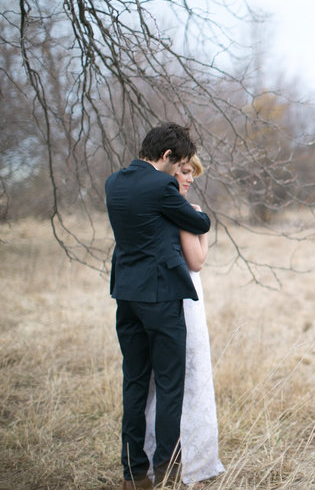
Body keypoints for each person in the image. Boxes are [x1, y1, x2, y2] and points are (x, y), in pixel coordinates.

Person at [106, 123, 211, 490]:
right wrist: (195, 214)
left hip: (126, 295)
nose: (179, 170)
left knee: (134, 383)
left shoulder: (114, 182)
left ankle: (133, 473)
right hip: (161, 297)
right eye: (179, 163)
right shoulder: (161, 185)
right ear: (166, 157)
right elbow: (198, 221)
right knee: (169, 385)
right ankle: (167, 470)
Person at [143, 155, 225, 486]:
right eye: (186, 172)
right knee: (189, 376)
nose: (190, 179)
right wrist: (201, 223)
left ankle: (151, 460)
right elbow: (197, 260)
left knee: (154, 383)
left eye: (193, 174)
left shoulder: (150, 204)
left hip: (153, 296)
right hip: (184, 298)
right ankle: (192, 464)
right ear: (172, 168)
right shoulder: (183, 210)